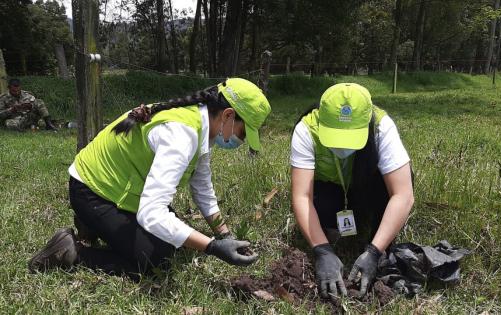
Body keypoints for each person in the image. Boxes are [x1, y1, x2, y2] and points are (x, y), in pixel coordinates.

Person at [28, 78, 271, 279]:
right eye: (243, 132)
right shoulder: (181, 135)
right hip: (92, 191)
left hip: (117, 189)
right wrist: (213, 247)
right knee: (157, 259)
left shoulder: (201, 124)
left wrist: (224, 235)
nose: (242, 140)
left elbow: (201, 184)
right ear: (228, 115)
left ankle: (94, 225)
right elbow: (152, 214)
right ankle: (72, 253)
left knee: (174, 236)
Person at [290, 83, 414, 300]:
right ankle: (333, 230)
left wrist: (375, 252)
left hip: (365, 189)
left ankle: (377, 237)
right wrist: (322, 251)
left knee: (387, 186)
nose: (342, 147)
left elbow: (403, 194)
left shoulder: (381, 126)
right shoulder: (306, 129)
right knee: (324, 207)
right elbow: (302, 196)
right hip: (331, 191)